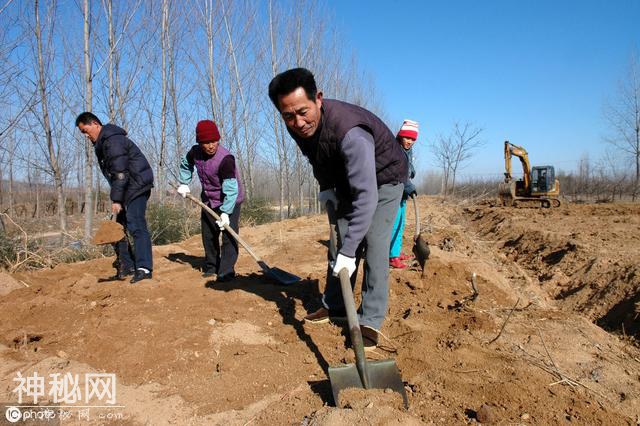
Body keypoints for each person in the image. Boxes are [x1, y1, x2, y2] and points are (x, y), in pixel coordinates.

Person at [268, 68, 408, 351]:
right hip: (347, 178)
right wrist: (325, 187)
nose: (298, 122)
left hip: (384, 178)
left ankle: (369, 320)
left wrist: (350, 250)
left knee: (374, 243)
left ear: (318, 98)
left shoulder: (350, 132)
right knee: (339, 243)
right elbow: (316, 156)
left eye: (303, 112)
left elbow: (367, 196)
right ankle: (337, 305)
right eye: (288, 115)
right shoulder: (295, 123)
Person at [75, 112, 154, 283]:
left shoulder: (113, 140)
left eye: (86, 131)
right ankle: (127, 265)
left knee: (136, 224)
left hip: (136, 185)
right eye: (83, 133)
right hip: (128, 187)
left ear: (95, 123)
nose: (86, 136)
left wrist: (117, 200)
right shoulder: (105, 142)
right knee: (117, 227)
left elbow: (120, 173)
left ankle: (144, 268)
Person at [176, 120, 244, 282]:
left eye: (214, 141)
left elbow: (231, 189)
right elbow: (186, 164)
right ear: (199, 143)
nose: (211, 145)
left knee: (228, 235)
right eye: (206, 142)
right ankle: (212, 266)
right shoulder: (195, 153)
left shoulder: (226, 159)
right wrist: (184, 183)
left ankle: (226, 270)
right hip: (208, 199)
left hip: (230, 199)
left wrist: (226, 212)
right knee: (209, 234)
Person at [389, 119, 419, 269]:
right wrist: (410, 186)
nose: (410, 142)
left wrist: (412, 170)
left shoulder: (407, 150)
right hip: (394, 192)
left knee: (401, 224)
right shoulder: (395, 150)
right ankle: (392, 256)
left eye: (413, 139)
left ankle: (396, 251)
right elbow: (398, 173)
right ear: (401, 135)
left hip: (402, 194)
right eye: (407, 138)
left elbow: (408, 169)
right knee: (394, 224)